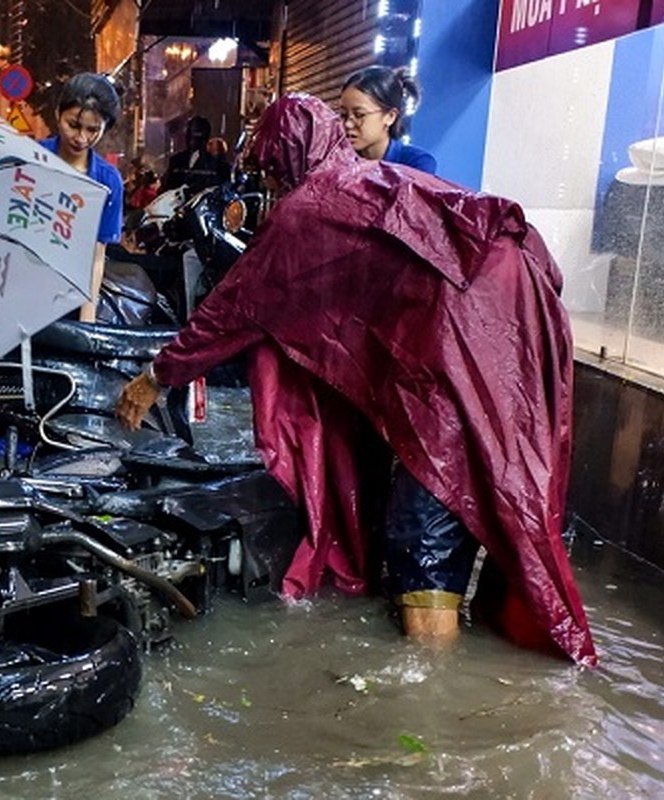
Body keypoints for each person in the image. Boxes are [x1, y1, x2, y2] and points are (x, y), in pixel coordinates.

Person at [115, 94, 596, 665]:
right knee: (483, 498)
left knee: (423, 527)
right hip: (515, 336)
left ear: (289, 155)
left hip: (467, 354)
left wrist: (154, 378)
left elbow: (232, 309)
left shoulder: (308, 209)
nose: (270, 183)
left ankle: (431, 701)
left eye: (271, 168)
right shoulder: (372, 182)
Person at [39, 72, 125, 323]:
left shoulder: (108, 182)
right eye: (73, 125)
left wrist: (87, 319)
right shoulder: (31, 158)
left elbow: (97, 257)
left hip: (69, 297)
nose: (81, 138)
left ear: (105, 127)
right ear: (58, 114)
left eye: (92, 130)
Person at [339, 66, 437, 174]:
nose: (348, 124)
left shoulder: (416, 163)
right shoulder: (341, 162)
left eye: (359, 115)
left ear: (390, 116)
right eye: (343, 115)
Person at [162, 116, 230, 194]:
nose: (192, 141)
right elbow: (166, 190)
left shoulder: (219, 166)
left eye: (197, 137)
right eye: (190, 136)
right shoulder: (176, 160)